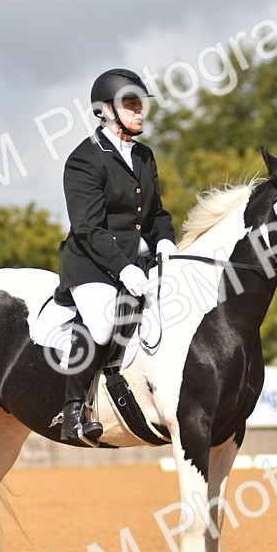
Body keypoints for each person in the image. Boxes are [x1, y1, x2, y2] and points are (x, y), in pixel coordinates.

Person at [56, 68, 176, 444]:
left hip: (137, 263)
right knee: (103, 322)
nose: (139, 111)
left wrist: (166, 241)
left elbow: (155, 214)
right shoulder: (84, 159)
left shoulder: (144, 155)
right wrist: (123, 268)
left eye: (140, 104)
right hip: (91, 264)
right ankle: (73, 409)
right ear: (106, 110)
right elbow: (88, 228)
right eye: (130, 104)